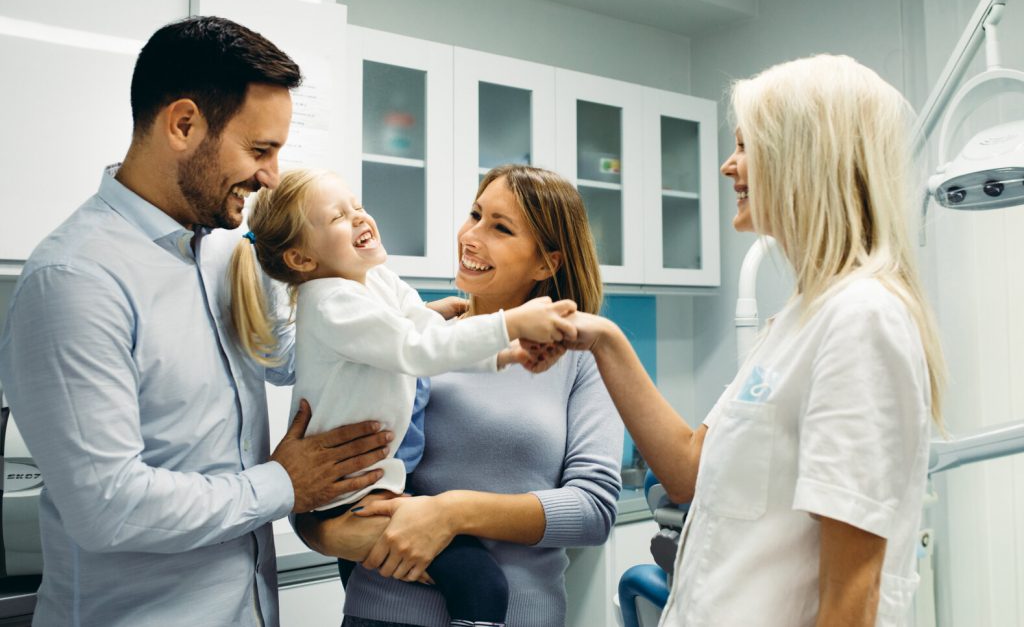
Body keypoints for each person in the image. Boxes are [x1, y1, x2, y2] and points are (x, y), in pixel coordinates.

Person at [0, 16, 392, 627]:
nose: (271, 176)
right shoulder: (75, 279)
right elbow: (108, 505)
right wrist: (283, 484)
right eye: (260, 150)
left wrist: (377, 300)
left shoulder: (226, 252)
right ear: (183, 125)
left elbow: (288, 356)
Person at [551, 54, 947, 626]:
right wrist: (605, 340)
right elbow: (688, 469)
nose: (727, 166)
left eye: (746, 145)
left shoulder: (862, 319)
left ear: (804, 156)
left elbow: (851, 595)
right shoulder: (797, 321)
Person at [228, 167, 579, 627]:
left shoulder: (374, 281)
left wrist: (502, 354)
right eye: (339, 217)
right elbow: (417, 350)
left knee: (474, 580)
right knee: (480, 583)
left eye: (357, 206)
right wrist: (509, 327)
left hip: (381, 487)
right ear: (300, 259)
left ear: (546, 263)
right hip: (351, 497)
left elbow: (422, 332)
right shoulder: (333, 302)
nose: (360, 218)